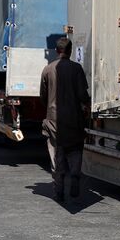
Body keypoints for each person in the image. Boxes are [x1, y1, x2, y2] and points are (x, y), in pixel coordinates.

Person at [39, 37, 90, 202]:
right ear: (70, 51)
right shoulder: (77, 69)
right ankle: (75, 175)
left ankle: (58, 191)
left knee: (56, 154)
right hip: (74, 119)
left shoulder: (47, 70)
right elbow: (83, 95)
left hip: (54, 119)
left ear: (56, 50)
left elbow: (43, 97)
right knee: (75, 150)